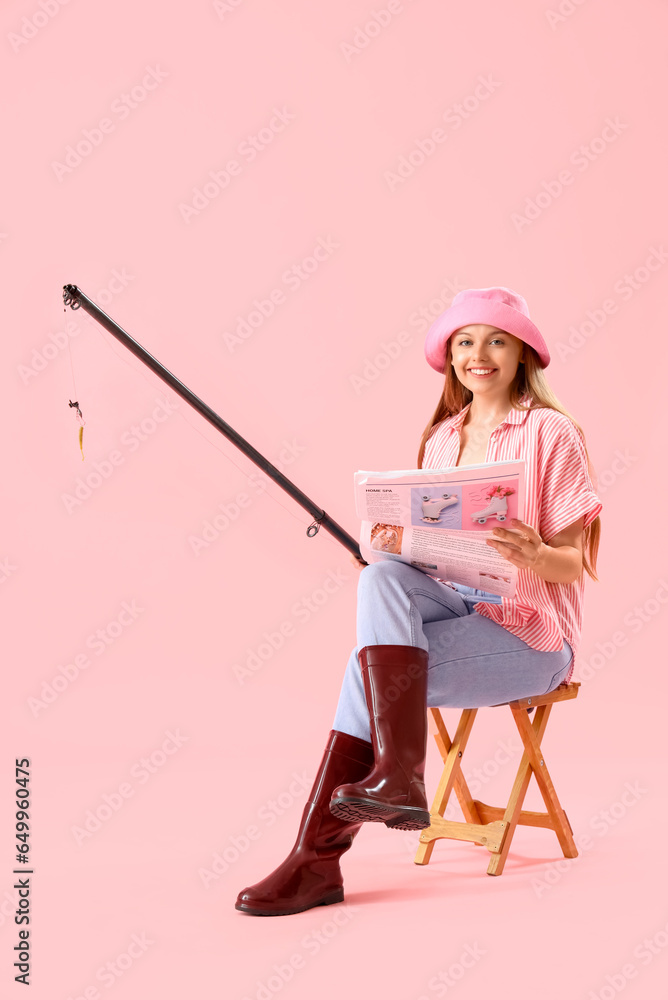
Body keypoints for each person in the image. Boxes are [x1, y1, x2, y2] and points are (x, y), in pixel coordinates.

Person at [235, 285, 603, 917]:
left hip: (530, 632)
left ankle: (318, 858)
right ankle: (398, 778)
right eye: (465, 341)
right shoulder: (441, 439)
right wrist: (390, 545)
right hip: (455, 600)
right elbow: (431, 547)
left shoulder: (552, 434)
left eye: (495, 340)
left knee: (365, 671)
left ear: (522, 356)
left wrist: (534, 554)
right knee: (378, 579)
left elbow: (572, 562)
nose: (478, 354)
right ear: (450, 357)